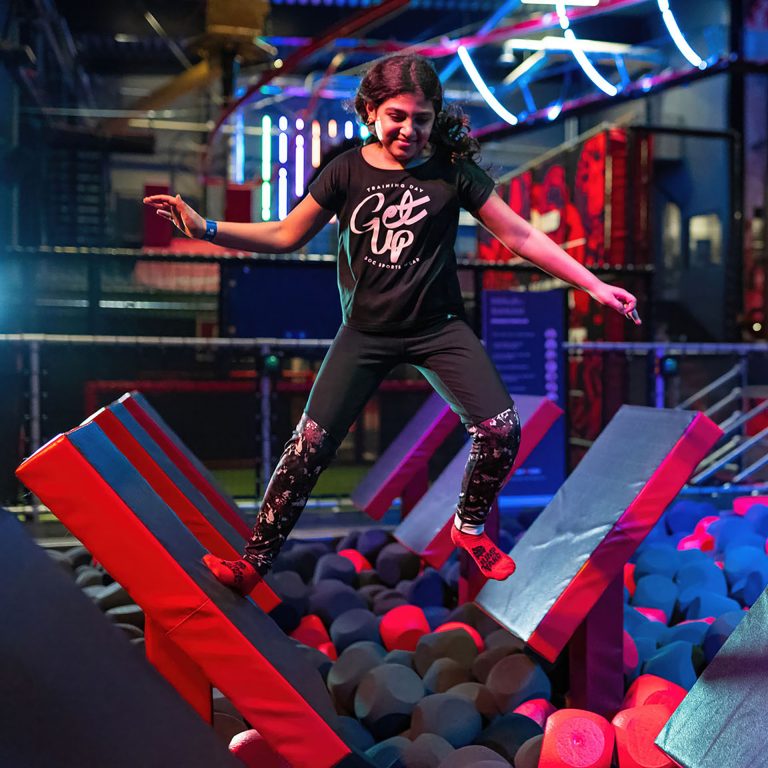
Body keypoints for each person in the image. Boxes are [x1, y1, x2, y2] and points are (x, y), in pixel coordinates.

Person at [144, 54, 639, 595]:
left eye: (421, 119)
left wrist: (594, 285)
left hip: (438, 328)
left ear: (435, 116)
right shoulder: (345, 171)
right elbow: (286, 234)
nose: (409, 129)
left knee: (501, 429)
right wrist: (207, 228)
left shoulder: (453, 171)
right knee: (308, 447)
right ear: (370, 112)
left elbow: (520, 236)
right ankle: (252, 563)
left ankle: (468, 526)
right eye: (397, 116)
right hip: (365, 332)